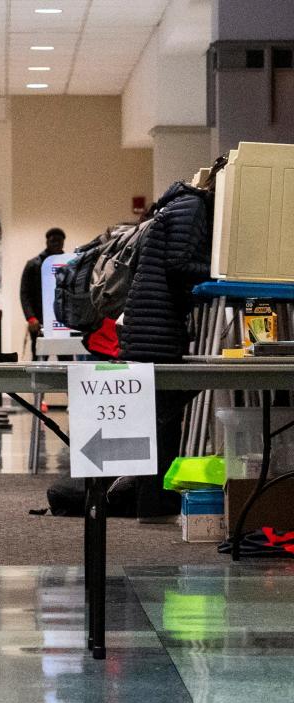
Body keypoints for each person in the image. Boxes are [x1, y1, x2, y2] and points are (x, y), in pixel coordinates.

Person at [118, 177, 216, 522]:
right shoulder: (193, 208)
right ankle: (154, 505)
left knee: (158, 420)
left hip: (148, 325)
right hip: (155, 328)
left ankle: (152, 504)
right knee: (162, 420)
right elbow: (179, 265)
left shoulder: (177, 205)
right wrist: (219, 270)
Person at [20, 227, 65, 359]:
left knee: (66, 358)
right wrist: (31, 317)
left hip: (63, 320)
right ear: (47, 242)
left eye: (59, 241)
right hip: (39, 320)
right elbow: (25, 293)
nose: (56, 244)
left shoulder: (69, 263)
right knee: (39, 358)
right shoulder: (33, 264)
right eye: (53, 241)